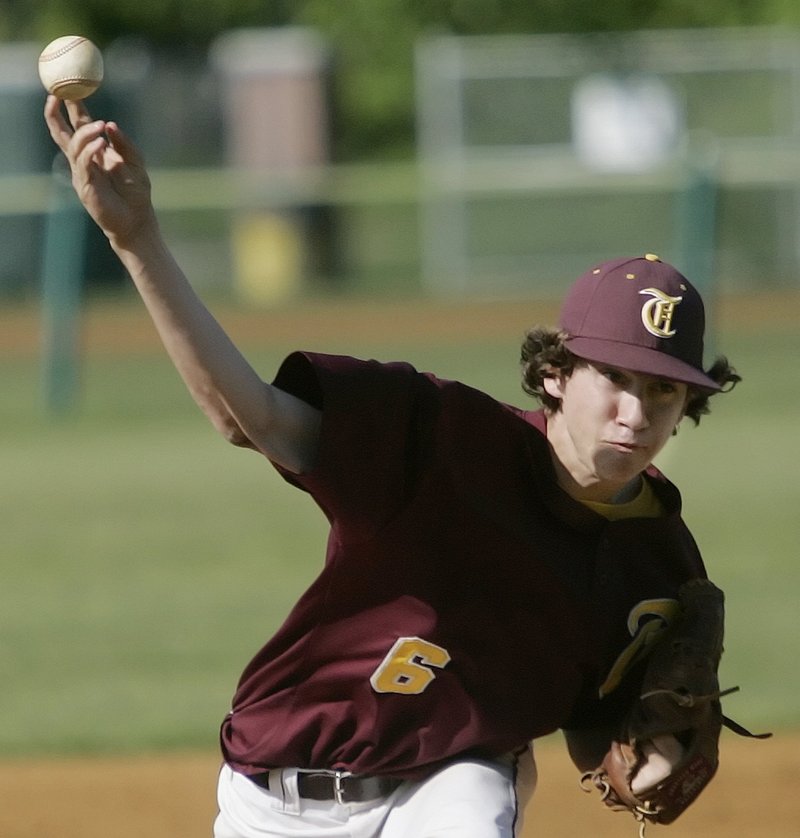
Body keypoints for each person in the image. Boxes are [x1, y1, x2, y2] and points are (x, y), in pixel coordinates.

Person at [44, 96, 740, 838]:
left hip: (450, 786)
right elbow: (247, 416)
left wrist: (651, 758)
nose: (637, 412)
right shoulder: (436, 436)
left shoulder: (658, 563)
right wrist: (137, 237)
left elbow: (598, 732)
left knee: (473, 799)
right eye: (617, 379)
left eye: (664, 390)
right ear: (557, 374)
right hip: (273, 786)